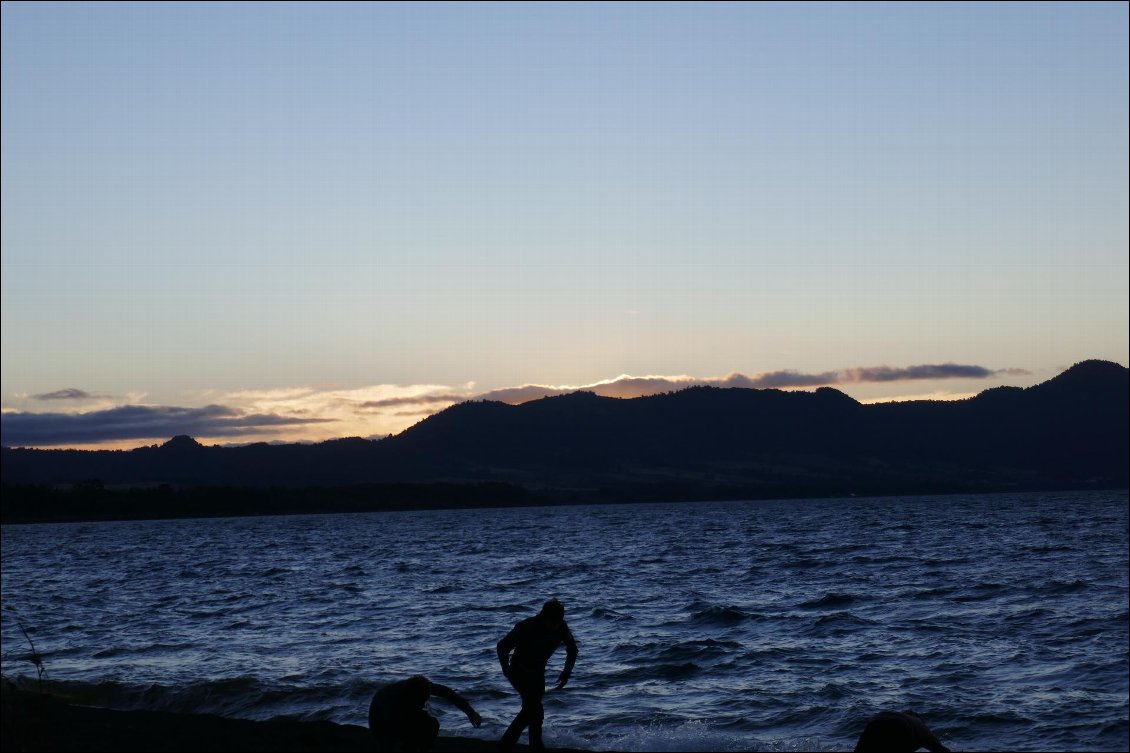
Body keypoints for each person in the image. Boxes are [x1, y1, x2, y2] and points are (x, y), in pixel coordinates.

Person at [496, 598, 579, 751]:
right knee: (535, 710)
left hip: (538, 673)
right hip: (518, 671)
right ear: (544, 618)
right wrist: (506, 669)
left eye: (559, 621)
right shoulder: (526, 627)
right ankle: (527, 746)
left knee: (530, 712)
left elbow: (572, 648)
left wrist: (567, 671)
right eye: (553, 622)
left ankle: (516, 745)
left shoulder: (561, 627)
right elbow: (502, 647)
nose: (556, 626)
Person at [367, 674, 481, 752]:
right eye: (421, 701)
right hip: (379, 723)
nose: (423, 704)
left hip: (392, 717)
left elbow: (446, 692)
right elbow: (384, 731)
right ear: (412, 697)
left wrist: (470, 712)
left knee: (425, 722)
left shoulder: (419, 686)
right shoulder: (394, 701)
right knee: (430, 724)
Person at [854, 710, 951, 752]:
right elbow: (942, 750)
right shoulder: (921, 727)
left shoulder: (903, 717)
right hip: (901, 726)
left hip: (876, 722)